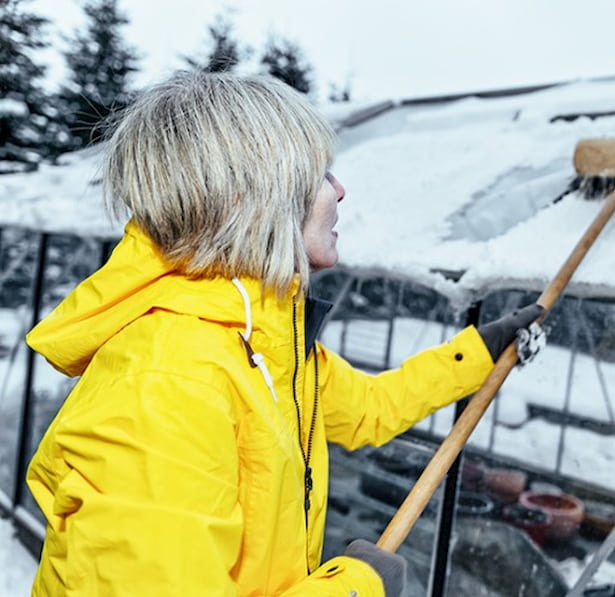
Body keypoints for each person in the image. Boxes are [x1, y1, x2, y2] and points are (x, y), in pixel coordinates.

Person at [24, 71, 543, 596]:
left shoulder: (262, 340)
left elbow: (369, 407)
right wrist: (356, 587)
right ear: (257, 195)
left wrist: (480, 351)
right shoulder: (167, 385)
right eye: (320, 175)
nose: (339, 190)